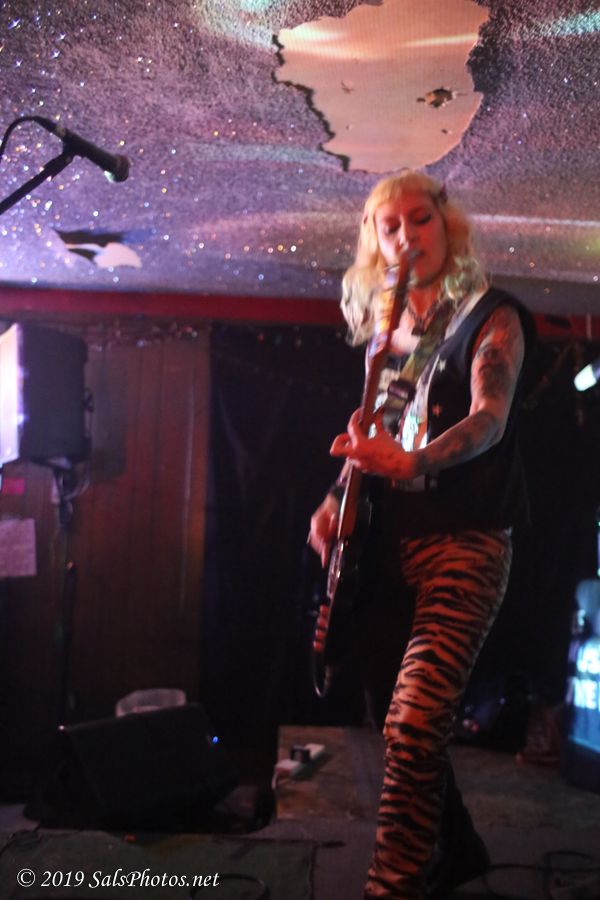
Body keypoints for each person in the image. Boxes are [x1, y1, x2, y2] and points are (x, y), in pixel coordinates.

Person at [308, 169, 534, 899]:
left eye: (421, 218)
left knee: (411, 722)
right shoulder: (390, 340)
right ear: (376, 243)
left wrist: (415, 461)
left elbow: (489, 419)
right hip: (389, 549)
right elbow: (372, 439)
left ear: (447, 225)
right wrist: (335, 498)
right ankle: (455, 851)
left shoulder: (492, 316)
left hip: (465, 541)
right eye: (391, 225)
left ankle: (394, 883)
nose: (408, 235)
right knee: (402, 721)